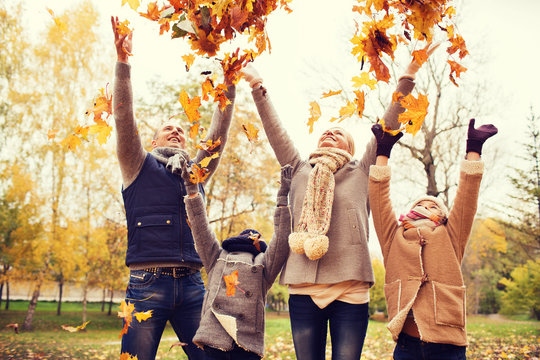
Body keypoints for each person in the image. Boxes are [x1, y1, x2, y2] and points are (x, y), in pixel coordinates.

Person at [240, 47, 436, 359]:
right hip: (304, 286)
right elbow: (274, 130)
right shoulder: (299, 168)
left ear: (352, 146)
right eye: (326, 132)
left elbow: (388, 125)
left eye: (339, 132)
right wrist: (256, 86)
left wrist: (407, 78)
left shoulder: (361, 170)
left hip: (350, 288)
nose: (330, 133)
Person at [111, 16, 236, 360]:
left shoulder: (193, 173)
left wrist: (229, 85)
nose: (176, 131)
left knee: (212, 357)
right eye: (168, 128)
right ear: (152, 140)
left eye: (181, 129)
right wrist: (123, 64)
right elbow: (123, 120)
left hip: (194, 284)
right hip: (146, 284)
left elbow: (216, 140)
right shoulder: (138, 163)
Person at [368, 119, 498, 359]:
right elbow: (378, 201)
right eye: (420, 205)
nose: (426, 207)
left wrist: (473, 150)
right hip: (407, 345)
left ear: (443, 216)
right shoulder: (394, 236)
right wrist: (383, 152)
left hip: (447, 345)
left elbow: (467, 197)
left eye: (433, 206)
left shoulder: (450, 234)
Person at [180, 161, 293, 360]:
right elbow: (200, 227)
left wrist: (283, 198)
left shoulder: (261, 264)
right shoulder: (218, 256)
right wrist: (191, 189)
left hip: (246, 341)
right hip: (215, 335)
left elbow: (282, 240)